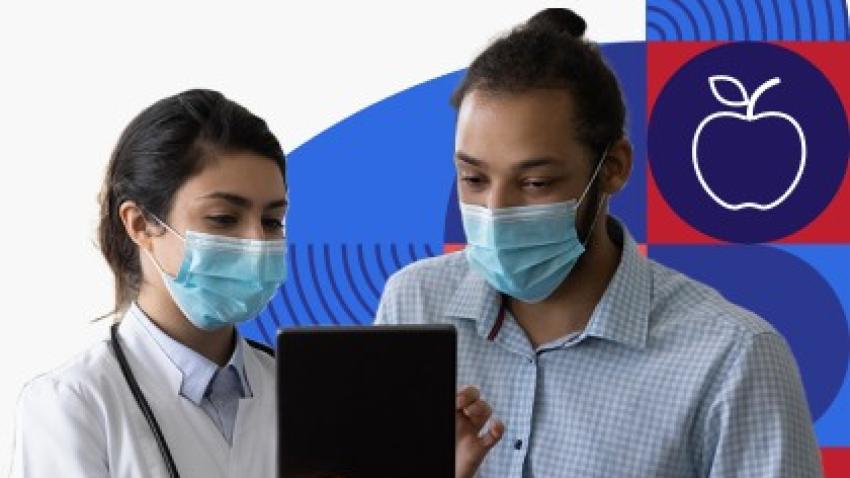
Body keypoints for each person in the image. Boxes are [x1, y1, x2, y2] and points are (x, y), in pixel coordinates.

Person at [376, 8, 822, 477]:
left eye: (536, 183)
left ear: (613, 168)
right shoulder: (413, 306)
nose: (495, 211)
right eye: (473, 177)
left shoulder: (733, 358)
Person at [11, 89, 498, 478]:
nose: (255, 241)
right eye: (223, 218)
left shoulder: (307, 394)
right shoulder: (73, 405)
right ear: (140, 224)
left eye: (272, 221)